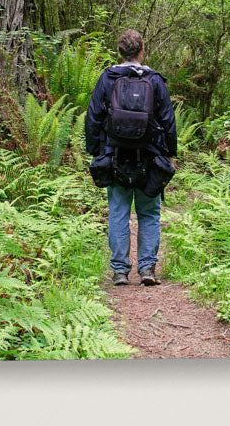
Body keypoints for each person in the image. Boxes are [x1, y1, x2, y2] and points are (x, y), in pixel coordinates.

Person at [85, 29, 177, 286]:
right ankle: (147, 269)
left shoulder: (108, 77)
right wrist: (169, 153)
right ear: (142, 51)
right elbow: (168, 120)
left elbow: (93, 116)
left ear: (120, 51)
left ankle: (120, 271)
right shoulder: (155, 80)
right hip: (150, 156)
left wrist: (95, 150)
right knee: (148, 213)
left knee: (118, 212)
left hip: (114, 156)